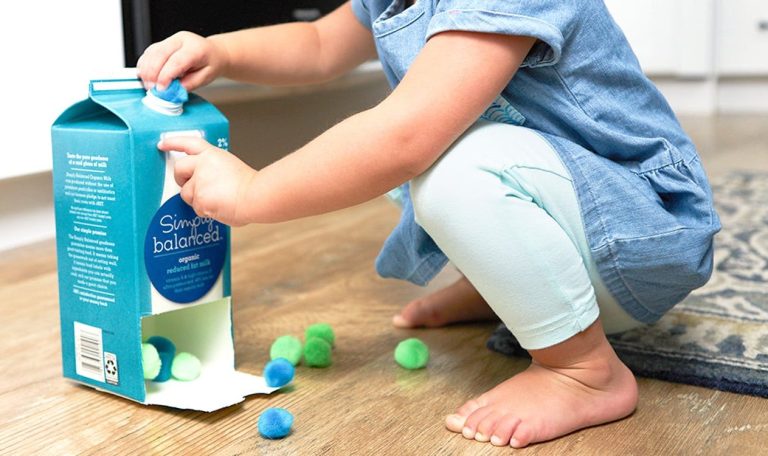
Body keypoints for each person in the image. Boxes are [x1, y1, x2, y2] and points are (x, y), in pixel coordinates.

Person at [138, 0, 720, 448]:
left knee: (433, 158)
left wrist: (253, 192)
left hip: (640, 231)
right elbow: (319, 43)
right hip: (580, 228)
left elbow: (406, 137)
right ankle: (514, 289)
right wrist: (223, 52)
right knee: (404, 159)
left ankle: (583, 371)